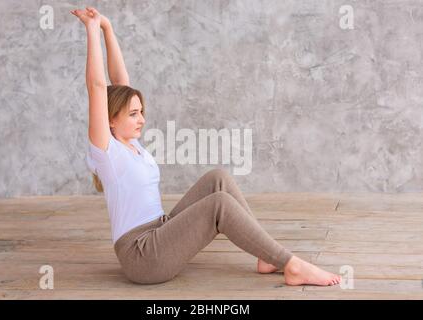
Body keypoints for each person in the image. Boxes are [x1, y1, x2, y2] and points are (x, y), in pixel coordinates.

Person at [71, 7, 342, 286]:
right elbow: (98, 86)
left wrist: (108, 29)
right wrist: (91, 30)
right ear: (110, 119)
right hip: (142, 256)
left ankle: (268, 255)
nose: (142, 119)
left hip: (160, 230)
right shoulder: (107, 152)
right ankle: (292, 264)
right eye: (133, 114)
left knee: (218, 179)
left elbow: (120, 84)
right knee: (219, 205)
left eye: (141, 111)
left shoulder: (130, 143)